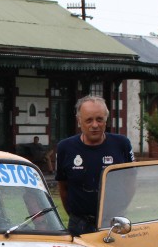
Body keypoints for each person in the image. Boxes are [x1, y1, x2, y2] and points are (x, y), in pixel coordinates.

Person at [55, 95, 134, 236]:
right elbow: (63, 187)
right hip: (79, 224)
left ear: (106, 120)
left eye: (99, 119)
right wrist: (76, 216)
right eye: (89, 120)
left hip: (114, 222)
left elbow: (130, 183)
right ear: (79, 121)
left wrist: (119, 210)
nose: (95, 125)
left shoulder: (122, 144)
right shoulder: (65, 148)